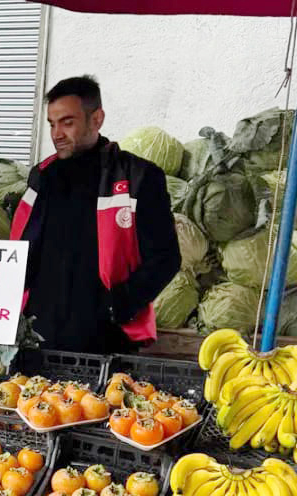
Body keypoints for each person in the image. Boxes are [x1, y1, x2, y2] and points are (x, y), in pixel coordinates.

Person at [11, 75, 180, 353]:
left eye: (67, 122)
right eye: (52, 124)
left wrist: (118, 305)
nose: (56, 134)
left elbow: (166, 258)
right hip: (39, 335)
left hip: (105, 340)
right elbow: (22, 248)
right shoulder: (42, 176)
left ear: (97, 119)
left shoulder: (139, 177)